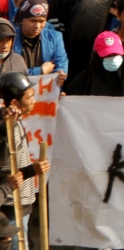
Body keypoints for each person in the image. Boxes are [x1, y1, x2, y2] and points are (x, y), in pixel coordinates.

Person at [0, 70, 51, 249]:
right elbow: (4, 169)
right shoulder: (6, 128)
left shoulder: (16, 121)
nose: (34, 101)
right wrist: (30, 171)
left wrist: (32, 170)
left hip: (22, 202)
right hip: (10, 206)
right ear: (15, 102)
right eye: (29, 97)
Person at [64, 29, 124, 96]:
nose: (112, 59)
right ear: (97, 57)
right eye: (107, 56)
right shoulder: (85, 79)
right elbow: (70, 99)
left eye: (115, 54)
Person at [12, 0, 67, 77]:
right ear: (22, 19)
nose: (37, 26)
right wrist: (40, 71)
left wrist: (60, 76)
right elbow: (9, 73)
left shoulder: (55, 37)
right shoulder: (10, 39)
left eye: (42, 21)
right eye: (33, 21)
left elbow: (61, 65)